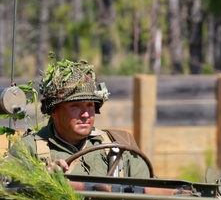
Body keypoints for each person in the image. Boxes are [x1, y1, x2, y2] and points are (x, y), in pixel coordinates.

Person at [16, 58, 151, 178]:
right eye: (75, 106)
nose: (86, 114)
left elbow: (150, 195)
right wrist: (41, 179)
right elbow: (2, 189)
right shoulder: (29, 149)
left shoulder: (119, 145)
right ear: (54, 111)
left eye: (90, 106)